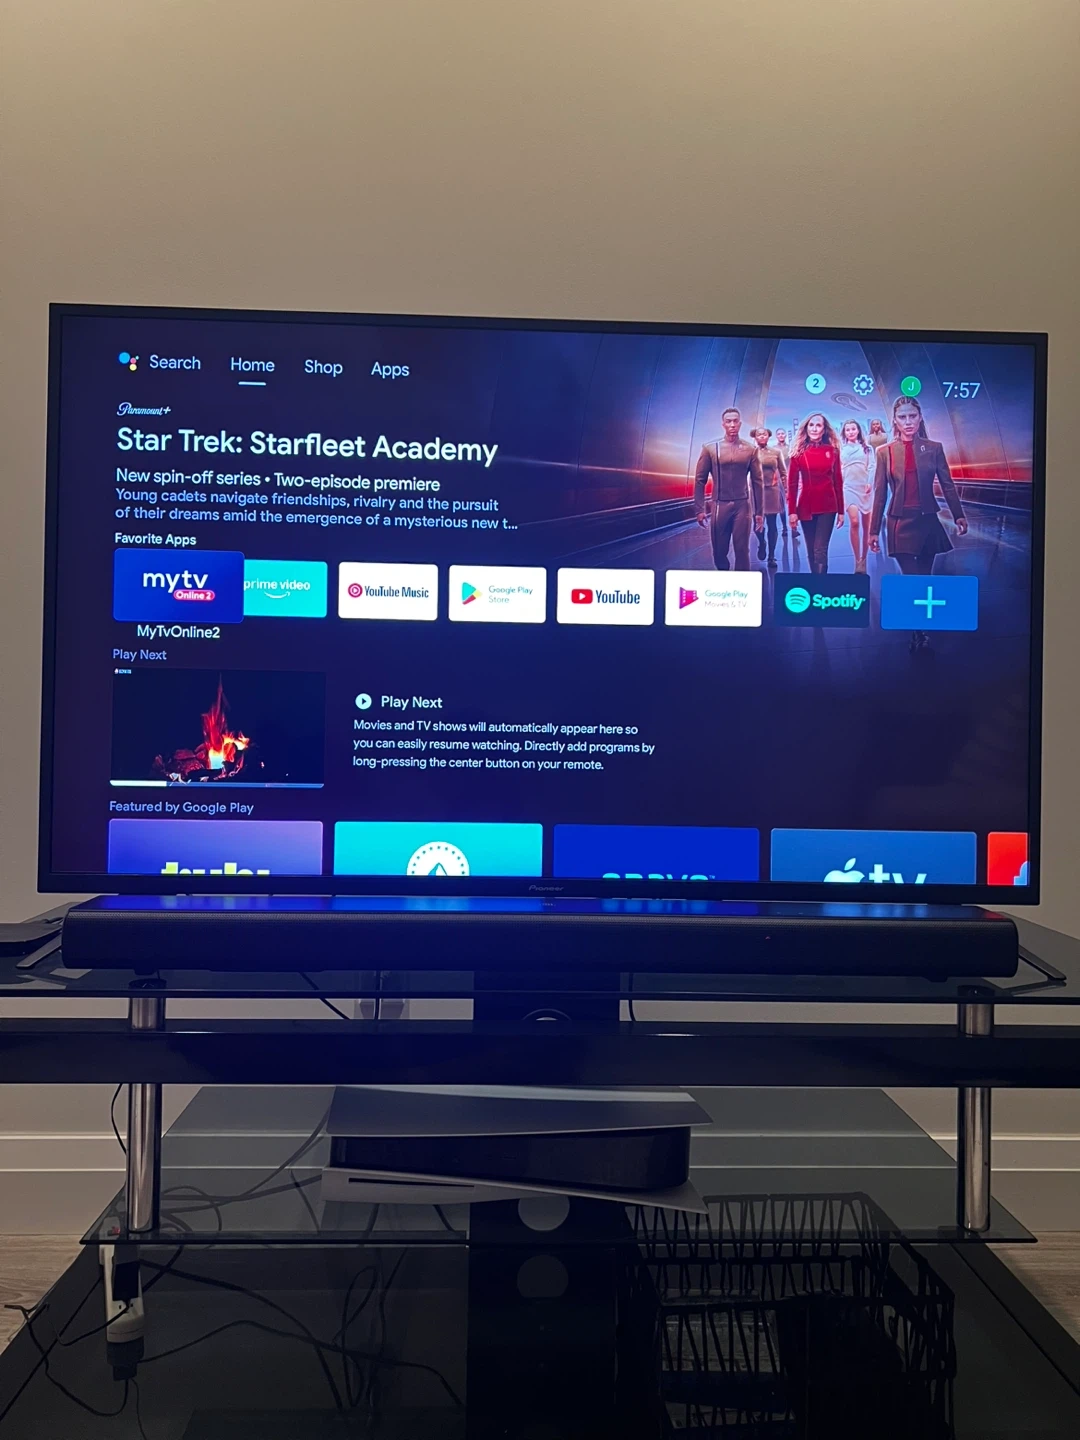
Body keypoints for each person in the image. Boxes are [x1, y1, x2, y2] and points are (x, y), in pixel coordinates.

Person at [869, 394, 968, 649]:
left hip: (927, 521)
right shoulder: (884, 452)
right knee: (912, 578)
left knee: (924, 578)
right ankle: (919, 630)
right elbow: (880, 493)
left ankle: (919, 629)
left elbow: (947, 484)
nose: (908, 421)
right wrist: (873, 531)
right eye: (902, 417)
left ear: (920, 417)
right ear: (895, 420)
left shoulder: (934, 448)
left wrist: (958, 514)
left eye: (912, 416)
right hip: (899, 522)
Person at [694, 407, 763, 570]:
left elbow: (757, 482)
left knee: (742, 550)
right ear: (723, 424)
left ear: (740, 424)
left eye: (735, 421)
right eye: (728, 421)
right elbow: (700, 480)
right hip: (720, 505)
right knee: (719, 552)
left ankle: (742, 584)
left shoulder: (750, 450)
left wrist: (759, 512)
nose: (732, 424)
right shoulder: (710, 448)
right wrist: (699, 509)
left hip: (742, 505)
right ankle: (724, 579)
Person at [786, 413, 844, 573]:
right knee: (811, 551)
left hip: (828, 506)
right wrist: (792, 512)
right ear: (806, 428)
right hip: (806, 507)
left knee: (820, 550)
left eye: (818, 425)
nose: (814, 428)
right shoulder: (798, 453)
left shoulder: (833, 451)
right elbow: (791, 484)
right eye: (811, 425)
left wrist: (841, 510)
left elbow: (838, 481)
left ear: (824, 429)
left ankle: (821, 584)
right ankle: (815, 584)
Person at [839, 419, 875, 573]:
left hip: (865, 488)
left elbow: (872, 466)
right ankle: (857, 559)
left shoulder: (867, 448)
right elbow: (838, 469)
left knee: (867, 526)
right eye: (848, 430)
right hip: (849, 487)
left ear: (858, 430)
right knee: (854, 522)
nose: (851, 432)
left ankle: (864, 559)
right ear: (844, 432)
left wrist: (869, 482)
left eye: (853, 429)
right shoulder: (841, 449)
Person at [750, 426, 787, 566]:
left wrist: (786, 488)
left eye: (764, 434)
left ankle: (771, 556)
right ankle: (762, 543)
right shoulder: (750, 452)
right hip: (755, 492)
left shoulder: (776, 452)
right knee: (757, 524)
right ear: (755, 437)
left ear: (768, 436)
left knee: (772, 524)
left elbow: (783, 472)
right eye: (759, 434)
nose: (762, 436)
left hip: (772, 491)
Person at [774, 428, 791, 535]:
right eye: (779, 434)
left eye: (782, 433)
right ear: (776, 436)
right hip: (779, 478)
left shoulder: (790, 448)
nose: (781, 435)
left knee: (792, 504)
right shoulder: (773, 449)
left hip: (790, 477)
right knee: (781, 504)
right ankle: (784, 527)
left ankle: (794, 528)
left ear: (785, 435)